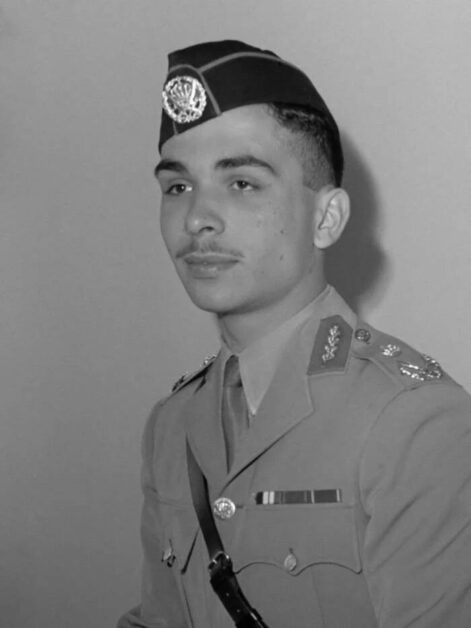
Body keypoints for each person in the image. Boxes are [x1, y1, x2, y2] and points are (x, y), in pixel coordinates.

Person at [118, 40, 471, 627]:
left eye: (242, 183)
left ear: (326, 218)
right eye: (177, 187)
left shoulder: (415, 423)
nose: (196, 217)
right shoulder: (172, 423)